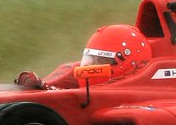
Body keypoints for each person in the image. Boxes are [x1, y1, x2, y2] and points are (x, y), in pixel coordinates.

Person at [15, 24, 152, 89]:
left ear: (128, 63)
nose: (89, 66)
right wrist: (43, 87)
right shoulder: (75, 72)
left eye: (101, 60)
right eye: (91, 58)